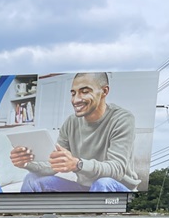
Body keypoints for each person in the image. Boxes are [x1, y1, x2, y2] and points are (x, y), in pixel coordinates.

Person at [11, 72, 139, 193]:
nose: (76, 100)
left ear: (104, 91)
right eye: (73, 93)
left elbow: (117, 170)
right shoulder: (71, 122)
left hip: (118, 189)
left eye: (84, 92)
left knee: (102, 183)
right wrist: (26, 163)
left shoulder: (122, 119)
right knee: (31, 179)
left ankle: (96, 217)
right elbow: (53, 165)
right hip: (84, 188)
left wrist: (77, 164)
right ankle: (28, 216)